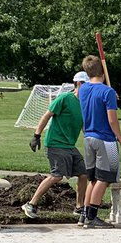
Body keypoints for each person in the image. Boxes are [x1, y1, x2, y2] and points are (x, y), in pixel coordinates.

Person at [21, 71, 89, 221]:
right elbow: (47, 115)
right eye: (86, 85)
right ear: (78, 84)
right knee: (57, 176)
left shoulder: (84, 103)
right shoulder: (65, 98)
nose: (88, 88)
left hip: (70, 146)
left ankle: (79, 208)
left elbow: (83, 125)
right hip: (55, 143)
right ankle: (31, 204)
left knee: (83, 174)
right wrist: (36, 136)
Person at [78, 55, 121, 228]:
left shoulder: (83, 89)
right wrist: (120, 137)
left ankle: (84, 215)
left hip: (88, 137)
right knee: (104, 178)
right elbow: (112, 120)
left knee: (93, 179)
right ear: (103, 72)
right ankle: (92, 217)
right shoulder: (107, 92)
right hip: (105, 139)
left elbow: (91, 96)